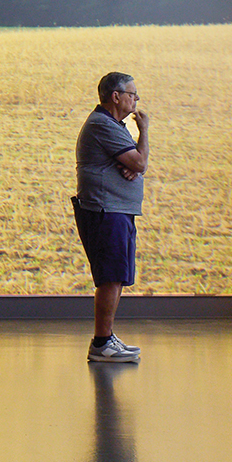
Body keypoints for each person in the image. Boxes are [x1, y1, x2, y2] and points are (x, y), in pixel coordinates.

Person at [75, 71, 150, 363]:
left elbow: (137, 163)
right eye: (132, 94)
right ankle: (102, 343)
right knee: (110, 278)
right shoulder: (102, 125)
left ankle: (107, 337)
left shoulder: (113, 126)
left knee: (117, 277)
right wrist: (144, 132)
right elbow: (140, 161)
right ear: (116, 96)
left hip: (117, 210)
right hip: (107, 211)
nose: (136, 99)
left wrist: (135, 164)